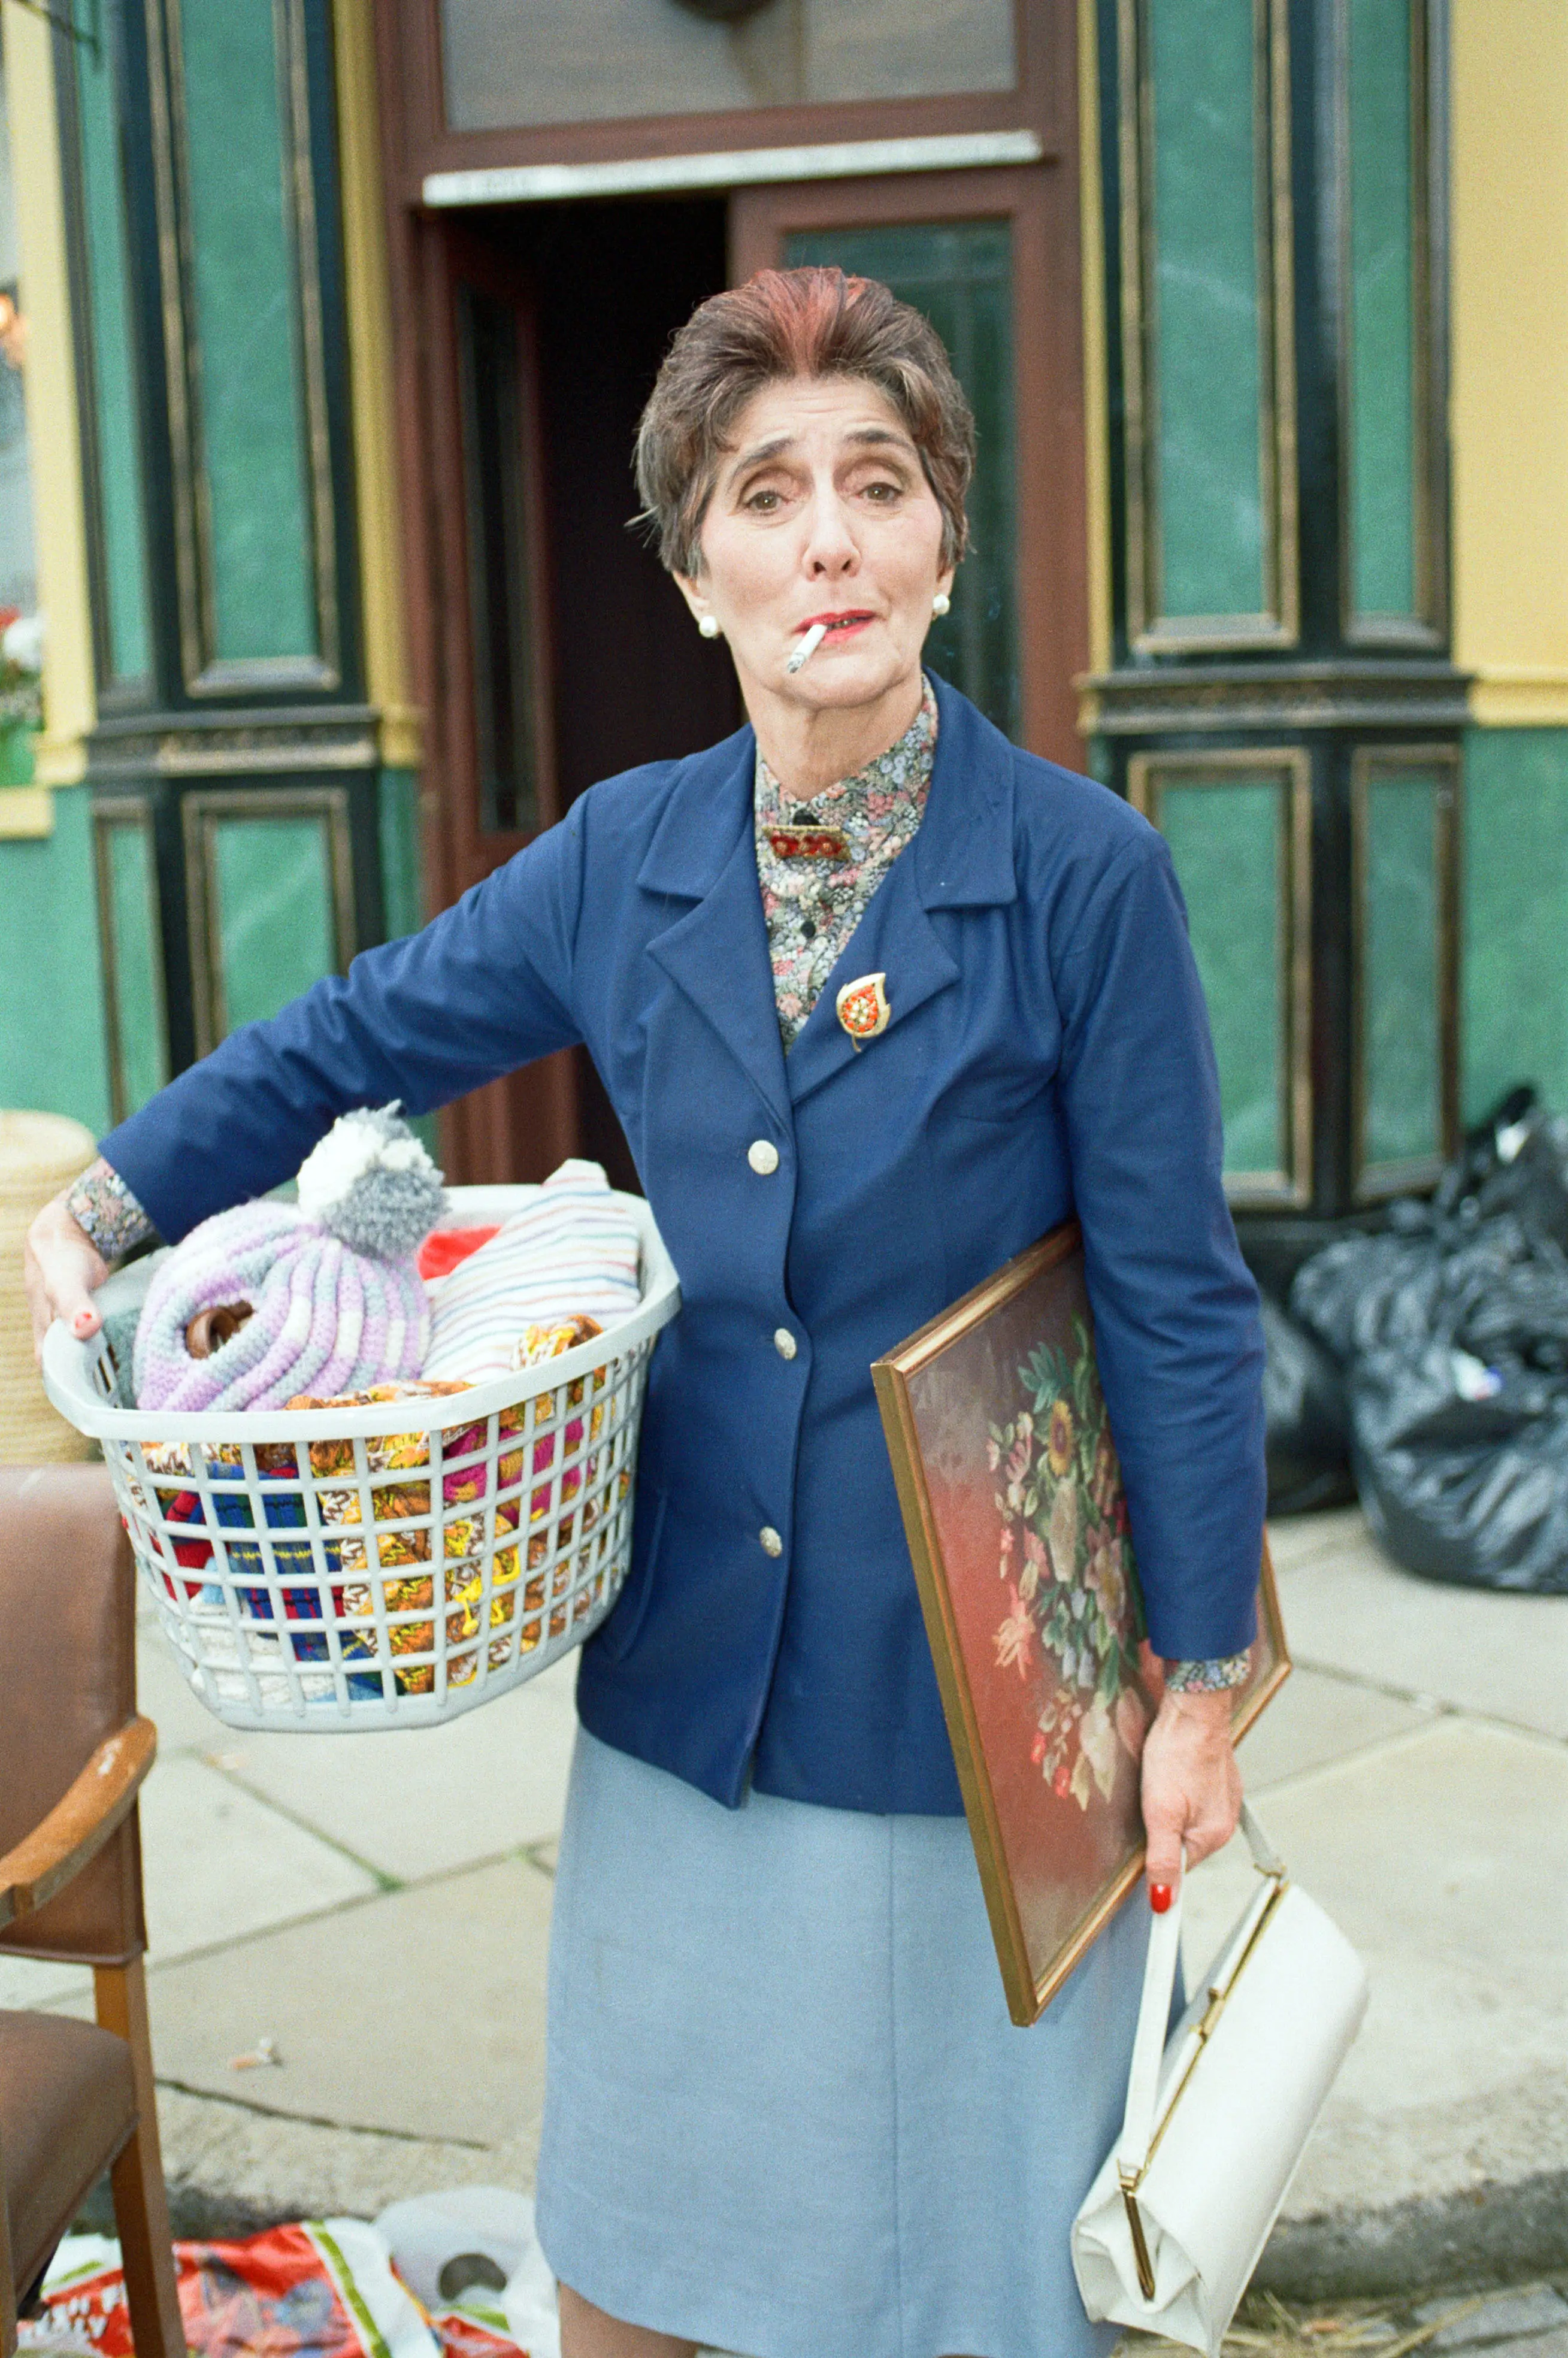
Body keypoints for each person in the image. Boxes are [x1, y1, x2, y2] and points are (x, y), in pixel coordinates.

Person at [28, 269, 1263, 2358]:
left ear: (947, 542)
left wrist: (1201, 1675)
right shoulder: (627, 858)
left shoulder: (1084, 880)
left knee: (962, 2274)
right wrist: (120, 1190)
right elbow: (363, 1027)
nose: (829, 542)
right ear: (700, 573)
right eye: (767, 495)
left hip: (972, 1699)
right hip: (694, 1677)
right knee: (651, 2250)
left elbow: (1178, 1305)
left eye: (877, 486)